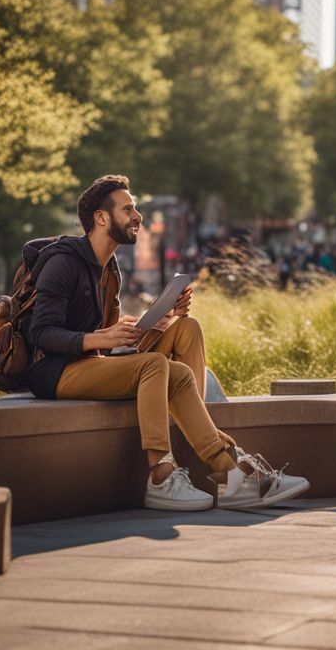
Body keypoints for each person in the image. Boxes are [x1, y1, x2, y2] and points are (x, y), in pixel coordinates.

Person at [24, 175, 309, 512]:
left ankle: (233, 479)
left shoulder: (108, 267)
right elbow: (40, 333)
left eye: (136, 208)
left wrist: (153, 322)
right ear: (101, 218)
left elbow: (107, 335)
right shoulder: (62, 262)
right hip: (55, 371)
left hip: (93, 361)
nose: (137, 216)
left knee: (186, 328)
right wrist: (97, 338)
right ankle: (162, 475)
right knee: (157, 365)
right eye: (128, 208)